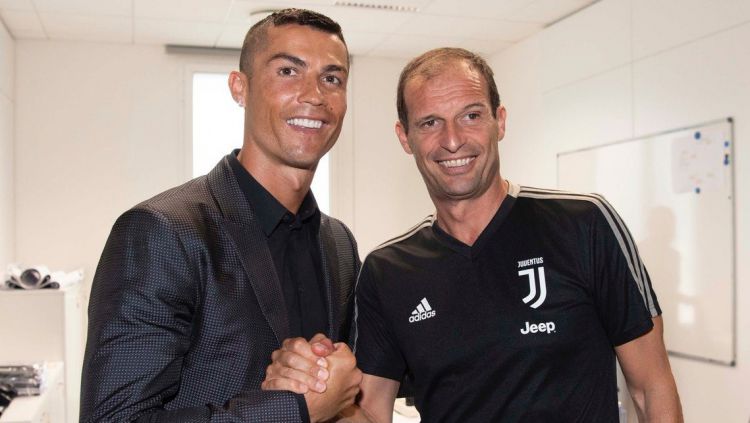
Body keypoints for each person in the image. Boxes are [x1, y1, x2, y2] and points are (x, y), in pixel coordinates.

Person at [262, 47, 683, 422]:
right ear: (405, 137)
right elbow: (371, 413)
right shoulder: (387, 271)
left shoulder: (583, 223)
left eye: (471, 115)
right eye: (430, 122)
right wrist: (315, 386)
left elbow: (651, 388)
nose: (452, 140)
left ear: (500, 121)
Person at [80, 9, 363, 422]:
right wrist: (295, 410)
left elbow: (341, 393)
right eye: (288, 71)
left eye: (332, 79)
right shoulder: (162, 232)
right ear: (240, 88)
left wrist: (334, 382)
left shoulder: (339, 244)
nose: (314, 95)